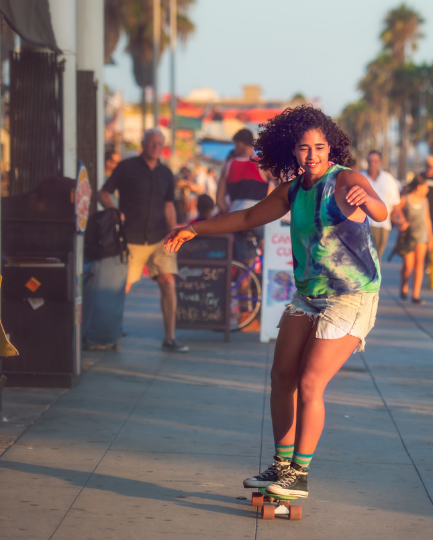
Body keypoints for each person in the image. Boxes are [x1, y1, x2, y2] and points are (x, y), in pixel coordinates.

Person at [164, 105, 387, 498]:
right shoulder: (291, 190)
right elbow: (248, 218)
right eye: (303, 148)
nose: (312, 155)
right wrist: (194, 229)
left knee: (310, 382)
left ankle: (299, 475)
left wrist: (367, 202)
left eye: (319, 147)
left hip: (351, 296)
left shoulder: (346, 179)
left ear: (330, 148)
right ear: (292, 151)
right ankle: (281, 466)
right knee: (281, 377)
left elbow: (382, 210)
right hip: (309, 294)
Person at [99, 128, 187, 353]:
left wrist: (173, 235)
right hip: (132, 238)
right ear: (143, 143)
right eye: (152, 142)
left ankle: (170, 338)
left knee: (168, 282)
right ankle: (110, 333)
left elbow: (169, 207)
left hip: (160, 238)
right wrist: (115, 212)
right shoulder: (126, 167)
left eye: (159, 143)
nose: (155, 146)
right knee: (122, 287)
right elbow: (104, 193)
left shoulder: (166, 173)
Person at [216, 128, 271, 263]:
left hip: (237, 221)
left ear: (240, 144)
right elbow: (284, 186)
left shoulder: (228, 166)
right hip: (258, 218)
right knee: (275, 245)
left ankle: (244, 282)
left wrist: (231, 213)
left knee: (246, 263)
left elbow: (219, 201)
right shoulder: (263, 164)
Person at [391, 176, 433, 305]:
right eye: (426, 187)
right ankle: (404, 284)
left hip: (422, 236)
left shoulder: (425, 201)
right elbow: (393, 214)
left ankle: (416, 295)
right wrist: (400, 223)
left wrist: (430, 238)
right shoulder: (405, 199)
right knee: (408, 265)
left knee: (419, 264)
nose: (427, 189)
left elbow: (427, 219)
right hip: (408, 237)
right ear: (418, 187)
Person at [361, 149, 400, 260]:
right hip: (364, 223)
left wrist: (400, 219)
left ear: (380, 162)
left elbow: (395, 203)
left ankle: (374, 277)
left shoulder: (388, 179)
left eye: (375, 161)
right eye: (370, 161)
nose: (372, 163)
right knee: (365, 257)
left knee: (377, 257)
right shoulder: (360, 177)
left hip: (383, 224)